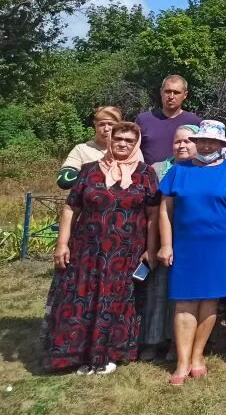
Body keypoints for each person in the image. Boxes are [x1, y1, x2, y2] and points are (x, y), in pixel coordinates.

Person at [43, 122, 159, 374]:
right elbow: (71, 207)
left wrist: (151, 249)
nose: (123, 144)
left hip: (125, 253)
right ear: (110, 139)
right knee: (82, 298)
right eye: (118, 138)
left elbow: (152, 214)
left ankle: (109, 353)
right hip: (87, 250)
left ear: (136, 143)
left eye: (129, 140)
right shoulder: (88, 171)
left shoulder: (146, 173)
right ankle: (79, 353)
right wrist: (62, 243)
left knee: (117, 301)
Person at [158, 120, 226, 385]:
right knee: (185, 302)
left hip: (219, 248)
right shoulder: (178, 170)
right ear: (195, 143)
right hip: (185, 246)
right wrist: (166, 244)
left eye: (214, 142)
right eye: (203, 141)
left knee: (210, 302)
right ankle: (182, 361)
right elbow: (165, 210)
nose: (207, 145)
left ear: (222, 145)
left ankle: (198, 356)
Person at [139, 124, 198, 361]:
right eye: (177, 141)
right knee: (158, 292)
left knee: (183, 296)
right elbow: (153, 209)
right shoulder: (158, 168)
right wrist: (154, 245)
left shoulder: (204, 169)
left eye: (187, 141)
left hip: (191, 242)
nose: (182, 146)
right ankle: (152, 341)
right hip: (163, 238)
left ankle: (177, 342)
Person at [57, 106, 141, 189]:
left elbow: (141, 179)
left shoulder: (131, 150)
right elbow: (64, 180)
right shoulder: (82, 149)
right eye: (101, 124)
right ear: (95, 125)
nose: (106, 129)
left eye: (111, 124)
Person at [136, 75, 202, 164]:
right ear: (161, 92)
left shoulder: (195, 122)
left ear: (185, 95)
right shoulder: (143, 120)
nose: (171, 96)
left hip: (184, 174)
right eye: (167, 91)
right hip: (149, 175)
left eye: (176, 92)